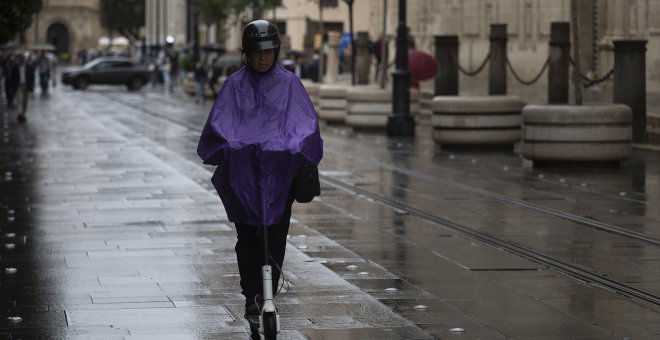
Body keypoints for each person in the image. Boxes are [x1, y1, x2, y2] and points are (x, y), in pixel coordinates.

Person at [196, 20, 323, 325]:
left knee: (276, 235)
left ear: (276, 51)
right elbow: (220, 126)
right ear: (247, 53)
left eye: (268, 51)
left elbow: (305, 125)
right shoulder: (234, 85)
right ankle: (252, 292)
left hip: (280, 178)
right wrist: (235, 146)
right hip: (244, 177)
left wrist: (292, 146)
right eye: (257, 52)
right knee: (248, 239)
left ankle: (267, 292)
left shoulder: (290, 84)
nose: (263, 58)